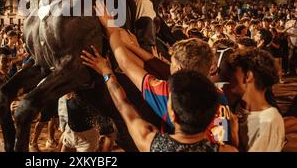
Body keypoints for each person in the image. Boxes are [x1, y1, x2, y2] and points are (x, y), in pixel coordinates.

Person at [91, 1, 234, 145]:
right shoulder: (219, 95)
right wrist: (133, 47)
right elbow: (160, 68)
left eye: (171, 63)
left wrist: (111, 29)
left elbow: (126, 64)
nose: (167, 64)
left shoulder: (170, 94)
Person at [81, 49, 237, 152]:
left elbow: (123, 105)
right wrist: (234, 133)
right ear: (210, 116)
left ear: (173, 115)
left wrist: (106, 71)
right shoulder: (227, 150)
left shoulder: (153, 144)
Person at [226, 48, 285, 152]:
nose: (229, 77)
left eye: (234, 71)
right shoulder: (237, 108)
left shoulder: (269, 121)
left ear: (248, 76)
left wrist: (234, 138)